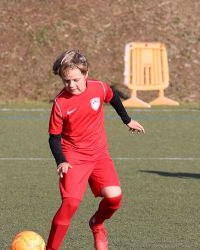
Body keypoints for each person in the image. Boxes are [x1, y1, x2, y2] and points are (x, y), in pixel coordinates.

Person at [46, 49, 145, 250]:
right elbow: (54, 138)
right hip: (74, 158)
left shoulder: (99, 88)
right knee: (70, 204)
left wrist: (127, 120)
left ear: (86, 74)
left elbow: (113, 97)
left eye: (75, 79)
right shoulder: (59, 103)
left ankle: (97, 224)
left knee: (115, 198)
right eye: (66, 81)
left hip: (99, 155)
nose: (71, 85)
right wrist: (61, 160)